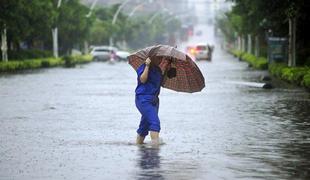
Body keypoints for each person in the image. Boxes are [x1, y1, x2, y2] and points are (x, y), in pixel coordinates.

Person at [135, 57, 173, 145]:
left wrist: (167, 70)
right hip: (143, 99)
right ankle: (155, 150)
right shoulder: (143, 66)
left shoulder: (158, 70)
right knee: (154, 122)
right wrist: (147, 66)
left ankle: (138, 146)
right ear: (151, 57)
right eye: (158, 58)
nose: (160, 60)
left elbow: (162, 83)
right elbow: (143, 80)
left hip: (154, 100)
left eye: (161, 58)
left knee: (144, 126)